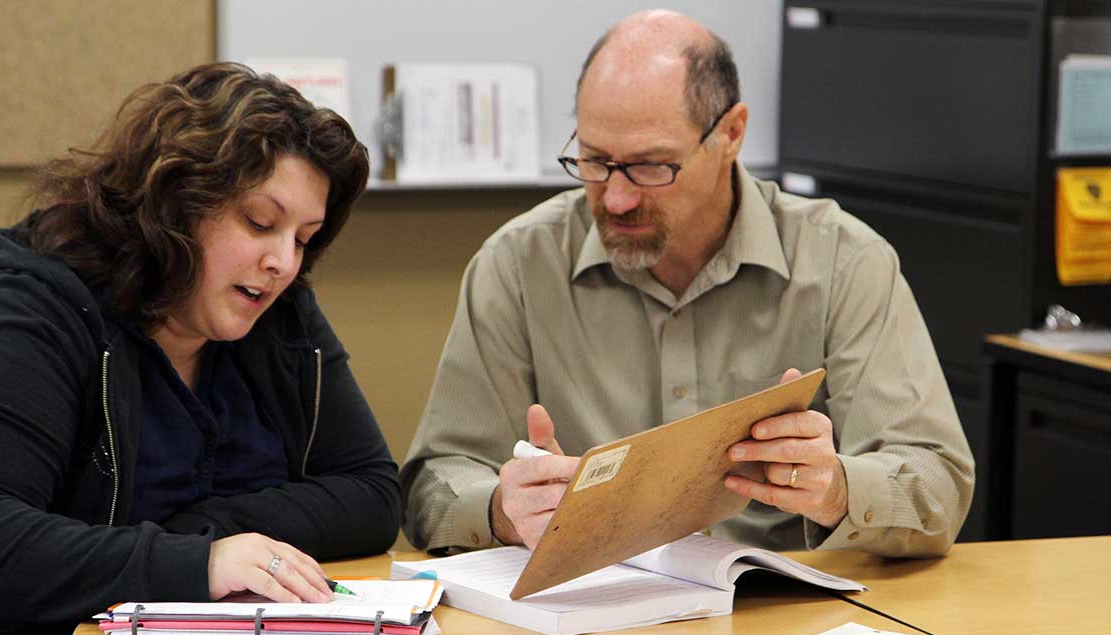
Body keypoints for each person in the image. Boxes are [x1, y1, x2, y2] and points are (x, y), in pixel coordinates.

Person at [0, 63, 400, 635]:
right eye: (258, 222)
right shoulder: (26, 313)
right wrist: (196, 564)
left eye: (303, 239)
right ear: (175, 201)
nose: (283, 263)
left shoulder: (276, 316)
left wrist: (207, 536)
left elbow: (370, 493)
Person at [402, 11, 973, 559]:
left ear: (730, 134)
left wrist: (837, 488)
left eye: (652, 166)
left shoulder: (844, 262)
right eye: (595, 161)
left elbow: (936, 484)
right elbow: (434, 485)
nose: (617, 198)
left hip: (784, 617)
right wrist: (505, 508)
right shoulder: (519, 265)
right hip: (587, 621)